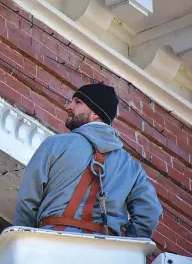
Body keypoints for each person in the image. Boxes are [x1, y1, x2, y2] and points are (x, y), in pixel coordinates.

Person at [13, 83, 162, 238]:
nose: (68, 107)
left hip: (52, 243)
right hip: (103, 254)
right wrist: (127, 248)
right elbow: (149, 213)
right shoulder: (131, 167)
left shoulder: (55, 145)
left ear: (96, 113)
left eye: (78, 102)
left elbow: (27, 200)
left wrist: (23, 243)